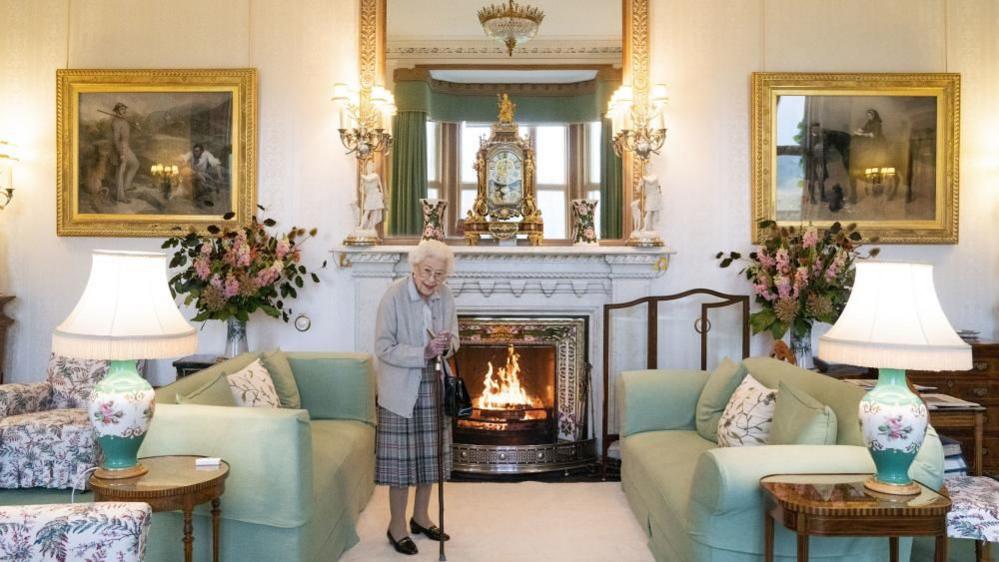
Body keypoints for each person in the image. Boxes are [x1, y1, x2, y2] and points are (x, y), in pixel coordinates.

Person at [374, 239, 459, 556]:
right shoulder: (394, 296)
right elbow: (383, 348)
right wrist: (422, 351)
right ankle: (397, 526)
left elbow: (456, 339)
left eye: (439, 274)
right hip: (400, 388)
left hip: (435, 382)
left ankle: (421, 517)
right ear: (415, 267)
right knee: (402, 464)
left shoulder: (445, 296)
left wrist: (445, 345)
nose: (432, 280)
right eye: (427, 271)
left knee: (429, 458)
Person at [110, 102, 139, 204]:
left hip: (126, 146)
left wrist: (136, 126)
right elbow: (115, 140)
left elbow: (127, 133)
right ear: (117, 111)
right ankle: (120, 196)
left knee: (135, 164)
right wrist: (121, 153)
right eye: (122, 110)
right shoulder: (116, 123)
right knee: (120, 171)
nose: (124, 111)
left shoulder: (124, 121)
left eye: (124, 109)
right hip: (120, 147)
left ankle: (126, 186)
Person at [361, 160, 386, 230]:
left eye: (371, 165)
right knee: (366, 211)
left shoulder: (375, 175)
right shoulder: (365, 177)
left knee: (375, 212)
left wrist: (363, 177)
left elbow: (370, 180)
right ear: (366, 167)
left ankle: (371, 227)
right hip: (370, 196)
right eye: (368, 165)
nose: (370, 167)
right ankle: (362, 225)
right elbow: (363, 190)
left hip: (375, 195)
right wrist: (362, 185)